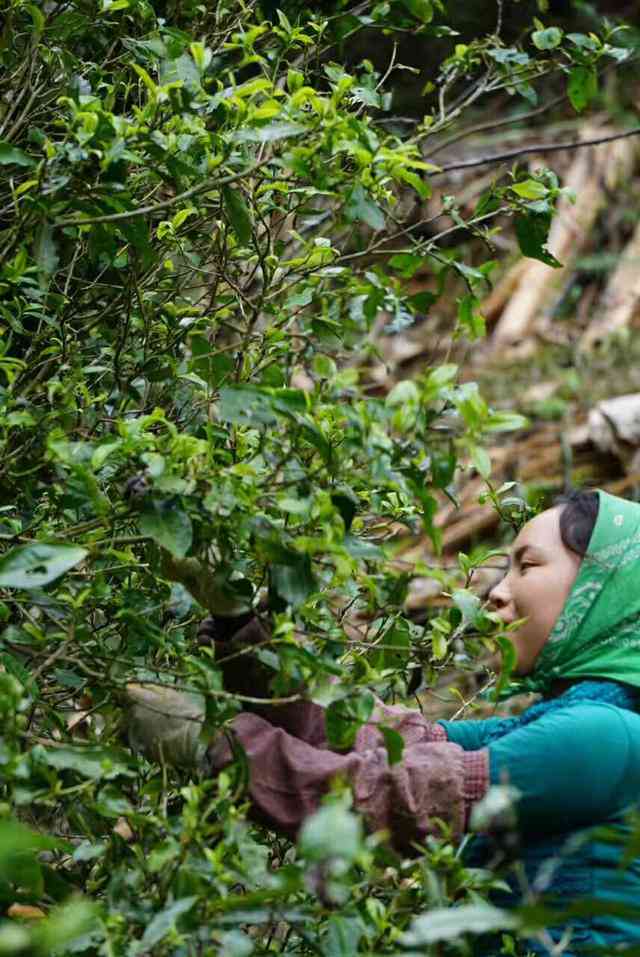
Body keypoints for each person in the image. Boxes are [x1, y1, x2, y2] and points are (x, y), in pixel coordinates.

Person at [127, 489, 640, 956]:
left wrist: (213, 745)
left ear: (605, 584)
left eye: (526, 566)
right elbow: (382, 739)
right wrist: (242, 625)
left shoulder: (602, 738)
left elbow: (393, 794)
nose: (497, 593)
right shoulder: (574, 722)